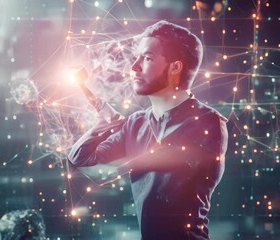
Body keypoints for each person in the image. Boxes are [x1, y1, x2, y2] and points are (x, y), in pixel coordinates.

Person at [68, 20, 228, 240]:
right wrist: (102, 127)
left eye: (147, 58)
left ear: (175, 67)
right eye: (137, 57)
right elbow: (80, 159)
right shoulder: (135, 123)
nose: (134, 67)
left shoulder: (208, 123)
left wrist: (120, 158)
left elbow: (171, 163)